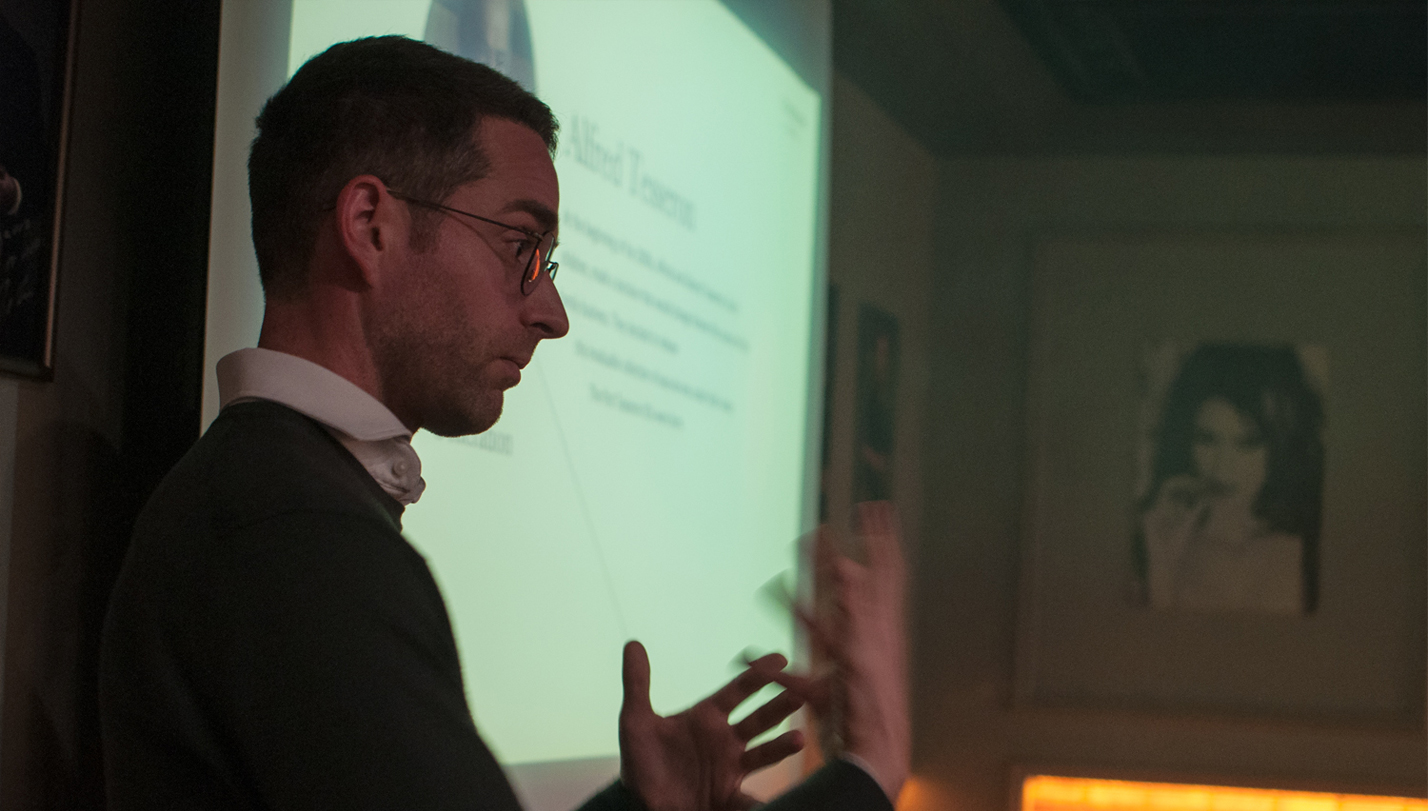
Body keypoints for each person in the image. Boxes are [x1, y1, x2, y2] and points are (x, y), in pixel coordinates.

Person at [100, 36, 908, 810]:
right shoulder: (296, 530)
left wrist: (640, 806)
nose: (552, 313)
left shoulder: (266, 497)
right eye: (521, 245)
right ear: (370, 225)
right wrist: (870, 769)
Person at [1137, 343, 1324, 614]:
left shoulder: (1308, 548)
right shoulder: (1155, 539)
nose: (1223, 467)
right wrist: (1161, 567)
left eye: (1248, 443)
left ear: (1281, 446)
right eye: (1206, 439)